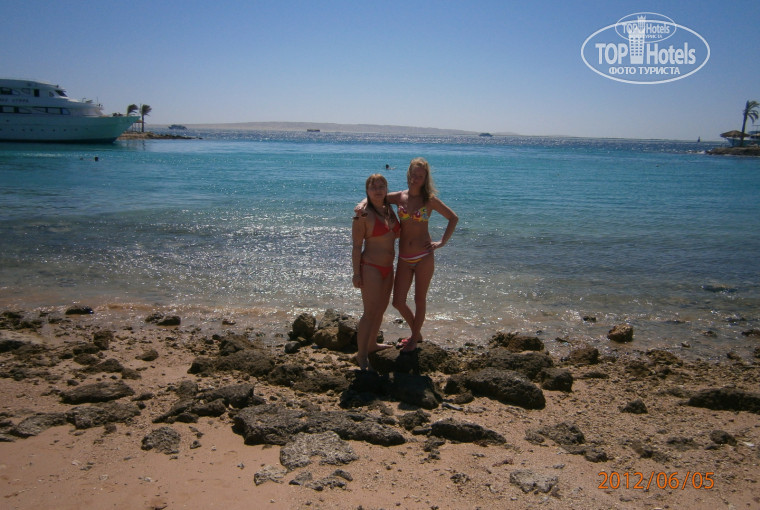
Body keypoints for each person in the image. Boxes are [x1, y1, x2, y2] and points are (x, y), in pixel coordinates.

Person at [356, 158, 458, 353]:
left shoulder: (429, 200)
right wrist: (361, 203)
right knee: (398, 301)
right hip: (404, 257)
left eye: (420, 176)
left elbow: (453, 218)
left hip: (424, 256)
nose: (415, 179)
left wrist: (442, 242)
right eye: (413, 174)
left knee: (420, 300)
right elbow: (377, 197)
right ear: (408, 174)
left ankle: (414, 338)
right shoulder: (399, 197)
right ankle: (416, 332)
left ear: (425, 178)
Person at [351, 174, 400, 370]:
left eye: (381, 186)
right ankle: (361, 356)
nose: (378, 190)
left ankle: (371, 344)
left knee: (381, 309)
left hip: (388, 267)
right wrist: (356, 274)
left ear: (387, 188)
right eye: (373, 187)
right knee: (369, 312)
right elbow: (356, 246)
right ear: (367, 190)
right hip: (370, 267)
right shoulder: (362, 214)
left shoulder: (389, 208)